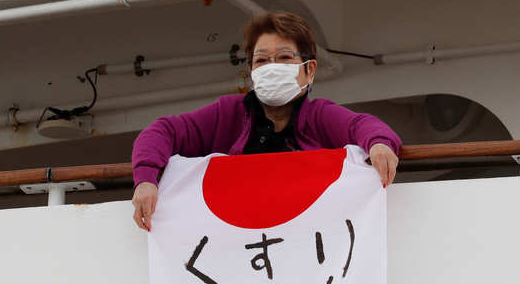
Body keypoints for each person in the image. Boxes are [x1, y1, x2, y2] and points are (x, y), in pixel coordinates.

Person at [131, 12, 401, 231]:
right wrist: (146, 180)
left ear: (309, 70)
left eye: (284, 57)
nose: (272, 67)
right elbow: (162, 131)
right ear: (251, 71)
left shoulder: (319, 116)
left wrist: (378, 144)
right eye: (261, 60)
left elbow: (362, 126)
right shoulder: (227, 114)